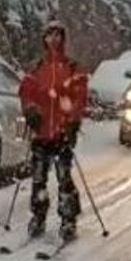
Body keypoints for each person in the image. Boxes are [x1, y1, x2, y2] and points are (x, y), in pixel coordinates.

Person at [19, 21, 89, 242]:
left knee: (64, 178)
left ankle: (69, 219)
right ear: (44, 39)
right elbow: (26, 92)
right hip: (41, 132)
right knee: (38, 178)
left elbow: (80, 96)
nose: (54, 40)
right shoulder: (36, 67)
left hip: (62, 132)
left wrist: (73, 121)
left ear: (63, 39)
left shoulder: (72, 67)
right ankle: (38, 216)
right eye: (50, 35)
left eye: (58, 35)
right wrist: (30, 110)